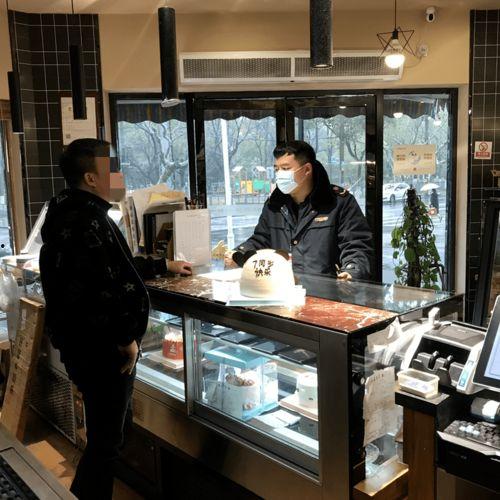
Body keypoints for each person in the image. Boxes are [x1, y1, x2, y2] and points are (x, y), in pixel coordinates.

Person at [39, 139, 192, 499]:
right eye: (111, 168)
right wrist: (125, 338)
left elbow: (114, 266)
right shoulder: (85, 221)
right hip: (102, 349)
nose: (119, 175)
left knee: (110, 436)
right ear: (91, 177)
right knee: (106, 442)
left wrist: (163, 265)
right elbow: (98, 289)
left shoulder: (74, 213)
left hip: (87, 345)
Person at [225, 141, 373, 281]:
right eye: (276, 169)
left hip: (327, 291)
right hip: (283, 289)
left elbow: (357, 245)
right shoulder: (274, 205)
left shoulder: (338, 203)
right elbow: (261, 240)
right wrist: (239, 254)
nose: (279, 174)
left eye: (285, 168)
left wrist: (352, 271)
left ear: (307, 169)